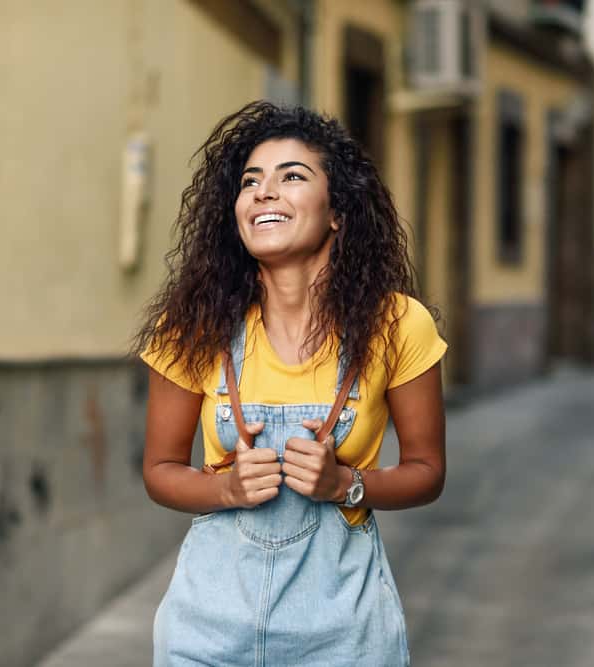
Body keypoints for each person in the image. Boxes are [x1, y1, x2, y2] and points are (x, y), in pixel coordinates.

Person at [135, 101, 447, 667]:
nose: (263, 192)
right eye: (251, 181)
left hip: (342, 631)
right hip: (207, 630)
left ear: (338, 212)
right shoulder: (192, 327)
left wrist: (346, 483)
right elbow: (159, 471)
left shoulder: (399, 325)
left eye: (292, 176)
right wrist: (225, 490)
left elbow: (427, 473)